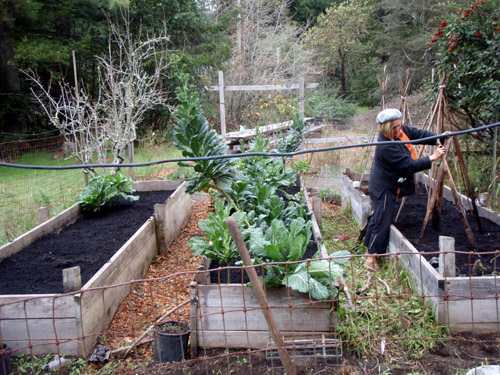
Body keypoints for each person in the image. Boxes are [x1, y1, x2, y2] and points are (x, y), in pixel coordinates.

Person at [363, 108, 446, 269]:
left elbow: (418, 134)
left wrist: (438, 137)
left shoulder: (400, 132)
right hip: (383, 188)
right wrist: (432, 157)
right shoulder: (385, 146)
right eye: (394, 128)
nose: (399, 130)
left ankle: (368, 252)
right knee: (382, 221)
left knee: (377, 218)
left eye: (400, 126)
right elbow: (408, 165)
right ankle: (371, 260)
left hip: (387, 185)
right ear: (386, 128)